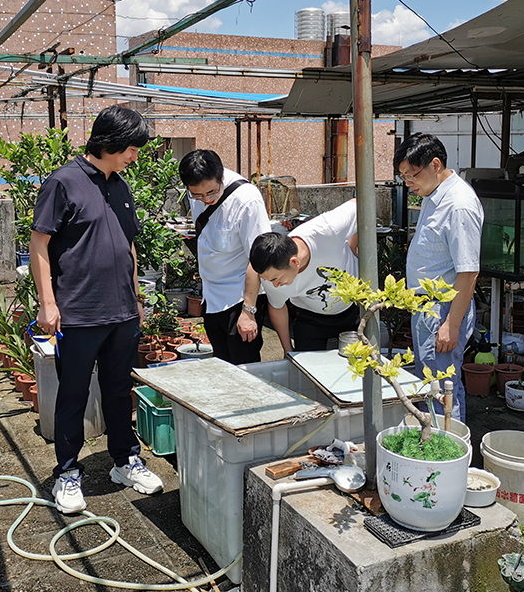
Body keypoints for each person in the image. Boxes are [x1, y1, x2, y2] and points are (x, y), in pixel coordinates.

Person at [30, 105, 163, 515]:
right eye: (131, 149)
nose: (135, 156)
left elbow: (129, 245)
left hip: (122, 312)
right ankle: (67, 473)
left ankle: (125, 460)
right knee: (73, 392)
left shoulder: (119, 185)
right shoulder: (63, 182)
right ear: (110, 143)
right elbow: (39, 245)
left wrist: (137, 299)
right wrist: (48, 304)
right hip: (80, 312)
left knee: (120, 390)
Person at [395, 133, 483, 422]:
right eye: (404, 177)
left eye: (412, 175)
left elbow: (468, 271)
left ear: (435, 164)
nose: (409, 183)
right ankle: (435, 447)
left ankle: (447, 454)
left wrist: (451, 325)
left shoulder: (458, 204)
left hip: (443, 310)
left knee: (443, 388)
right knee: (431, 383)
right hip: (429, 308)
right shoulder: (434, 194)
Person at [178, 149, 274, 365]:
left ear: (222, 177)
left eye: (211, 192)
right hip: (211, 296)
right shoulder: (198, 191)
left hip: (239, 297)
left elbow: (258, 258)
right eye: (198, 196)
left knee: (245, 367)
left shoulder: (247, 201)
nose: (206, 200)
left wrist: (249, 312)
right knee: (222, 364)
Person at [248, 198, 360, 352]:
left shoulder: (326, 230)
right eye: (268, 280)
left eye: (276, 279)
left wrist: (353, 244)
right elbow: (277, 307)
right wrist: (288, 350)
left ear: (294, 262)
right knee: (308, 371)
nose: (274, 285)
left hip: (353, 309)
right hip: (309, 318)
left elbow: (361, 203)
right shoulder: (270, 277)